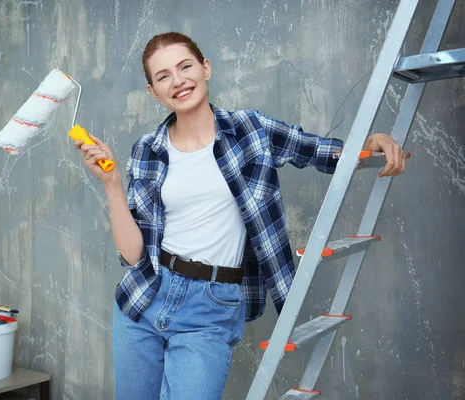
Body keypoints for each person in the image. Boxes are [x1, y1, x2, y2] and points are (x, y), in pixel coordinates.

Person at [74, 32, 405, 400]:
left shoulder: (251, 130)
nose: (178, 80)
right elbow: (134, 255)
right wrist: (113, 183)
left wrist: (369, 144)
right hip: (147, 296)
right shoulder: (147, 150)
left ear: (206, 68)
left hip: (211, 307)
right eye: (163, 76)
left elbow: (319, 151)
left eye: (185, 66)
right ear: (153, 92)